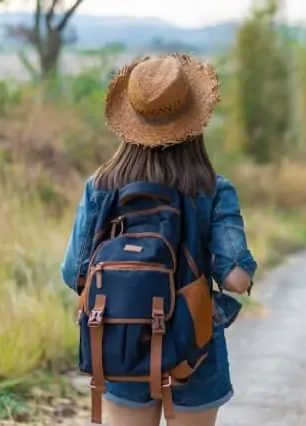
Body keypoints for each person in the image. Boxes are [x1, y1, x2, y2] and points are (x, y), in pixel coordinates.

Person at [60, 53, 258, 426]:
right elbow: (235, 279)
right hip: (194, 353)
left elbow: (75, 274)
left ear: (130, 124)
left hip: (121, 347)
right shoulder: (212, 189)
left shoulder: (101, 188)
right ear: (194, 123)